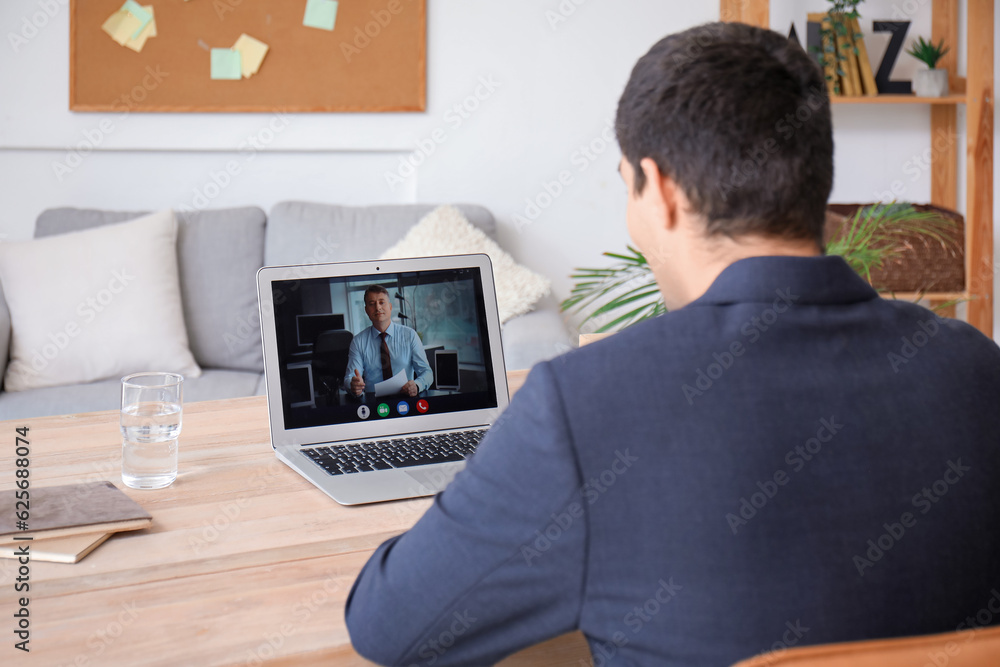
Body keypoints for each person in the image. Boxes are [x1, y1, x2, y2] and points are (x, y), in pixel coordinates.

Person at [345, 22, 1000, 666]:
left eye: (625, 181)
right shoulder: (977, 369)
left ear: (656, 190)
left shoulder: (581, 408)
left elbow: (390, 625)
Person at [344, 284, 433, 398]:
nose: (378, 308)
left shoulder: (410, 335)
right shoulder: (358, 342)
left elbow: (427, 372)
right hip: (374, 403)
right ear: (366, 310)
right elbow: (349, 377)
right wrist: (353, 385)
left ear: (390, 307)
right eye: (372, 304)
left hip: (406, 400)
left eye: (382, 302)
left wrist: (417, 385)